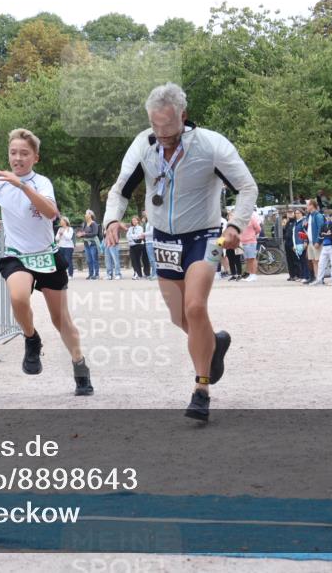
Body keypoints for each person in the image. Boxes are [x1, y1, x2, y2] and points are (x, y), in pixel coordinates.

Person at [104, 82, 257, 421]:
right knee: (180, 317)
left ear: (183, 116)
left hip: (206, 237)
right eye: (155, 126)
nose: (162, 134)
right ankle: (213, 343)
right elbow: (120, 190)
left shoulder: (210, 145)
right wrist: (111, 219)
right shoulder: (143, 145)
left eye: (169, 127)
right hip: (163, 239)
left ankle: (201, 390)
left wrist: (235, 224)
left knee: (195, 306)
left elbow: (247, 186)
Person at [0, 128, 93, 396]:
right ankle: (31, 338)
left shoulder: (42, 183)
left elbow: (51, 212)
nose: (17, 158)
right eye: (13, 153)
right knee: (18, 297)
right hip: (17, 255)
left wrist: (21, 185)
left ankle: (79, 365)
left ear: (35, 158)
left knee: (61, 320)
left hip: (46, 256)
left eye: (24, 153)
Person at [313, 213, 332, 285]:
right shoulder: (323, 225)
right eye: (326, 216)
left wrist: (325, 234)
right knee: (321, 264)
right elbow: (320, 235)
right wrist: (326, 234)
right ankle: (319, 280)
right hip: (324, 246)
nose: (328, 217)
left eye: (329, 215)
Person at [305, 199, 325, 283]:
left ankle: (321, 279)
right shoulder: (309, 216)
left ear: (312, 206)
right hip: (310, 242)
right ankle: (317, 278)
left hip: (316, 242)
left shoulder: (318, 216)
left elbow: (321, 229)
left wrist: (318, 241)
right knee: (313, 261)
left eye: (307, 205)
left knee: (319, 260)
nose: (306, 207)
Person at [77, 211, 101, 280]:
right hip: (86, 244)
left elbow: (94, 233)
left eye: (86, 213)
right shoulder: (84, 223)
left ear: (90, 215)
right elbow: (83, 233)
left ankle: (96, 274)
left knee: (94, 259)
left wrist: (85, 234)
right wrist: (80, 235)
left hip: (93, 243)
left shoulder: (94, 224)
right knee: (89, 260)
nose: (85, 215)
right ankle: (90, 274)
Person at [126, 216, 150, 280]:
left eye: (135, 220)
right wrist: (133, 237)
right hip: (132, 245)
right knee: (134, 260)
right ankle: (137, 273)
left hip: (139, 245)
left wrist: (132, 236)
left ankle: (146, 273)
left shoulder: (140, 228)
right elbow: (127, 236)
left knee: (141, 259)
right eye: (132, 220)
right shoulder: (130, 228)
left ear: (138, 221)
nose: (133, 221)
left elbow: (139, 236)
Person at [240, 209, 261, 282]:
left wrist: (253, 235)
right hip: (243, 242)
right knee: (247, 259)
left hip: (251, 241)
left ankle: (253, 275)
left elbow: (258, 229)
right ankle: (249, 274)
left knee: (252, 258)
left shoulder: (251, 219)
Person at [142, 211, 157, 281]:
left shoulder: (151, 222)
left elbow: (152, 232)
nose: (144, 215)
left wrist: (143, 234)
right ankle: (153, 273)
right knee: (151, 260)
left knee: (152, 259)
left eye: (145, 214)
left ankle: (155, 274)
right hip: (148, 242)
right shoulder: (148, 222)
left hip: (151, 242)